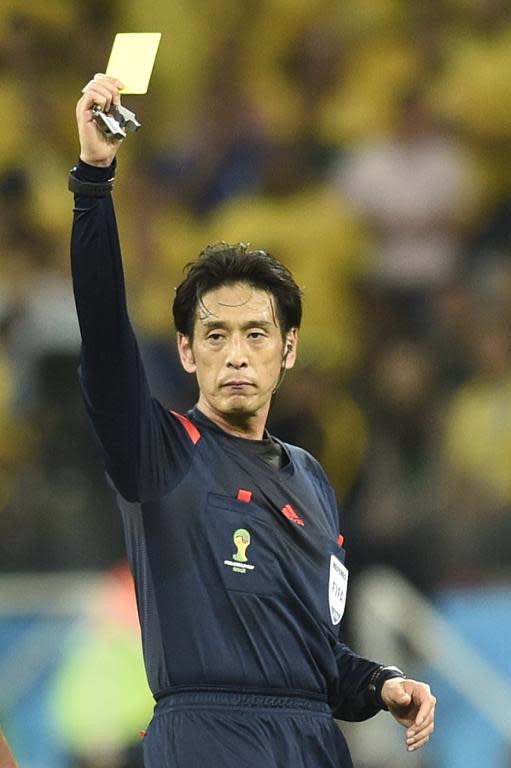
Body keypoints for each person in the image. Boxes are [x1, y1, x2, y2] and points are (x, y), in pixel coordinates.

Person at [69, 73, 436, 768]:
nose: (235, 354)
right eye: (214, 335)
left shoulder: (310, 477)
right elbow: (103, 329)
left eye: (255, 334)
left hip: (313, 744)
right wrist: (93, 180)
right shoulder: (159, 452)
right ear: (184, 351)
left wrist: (380, 684)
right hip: (207, 739)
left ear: (287, 349)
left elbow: (317, 655)